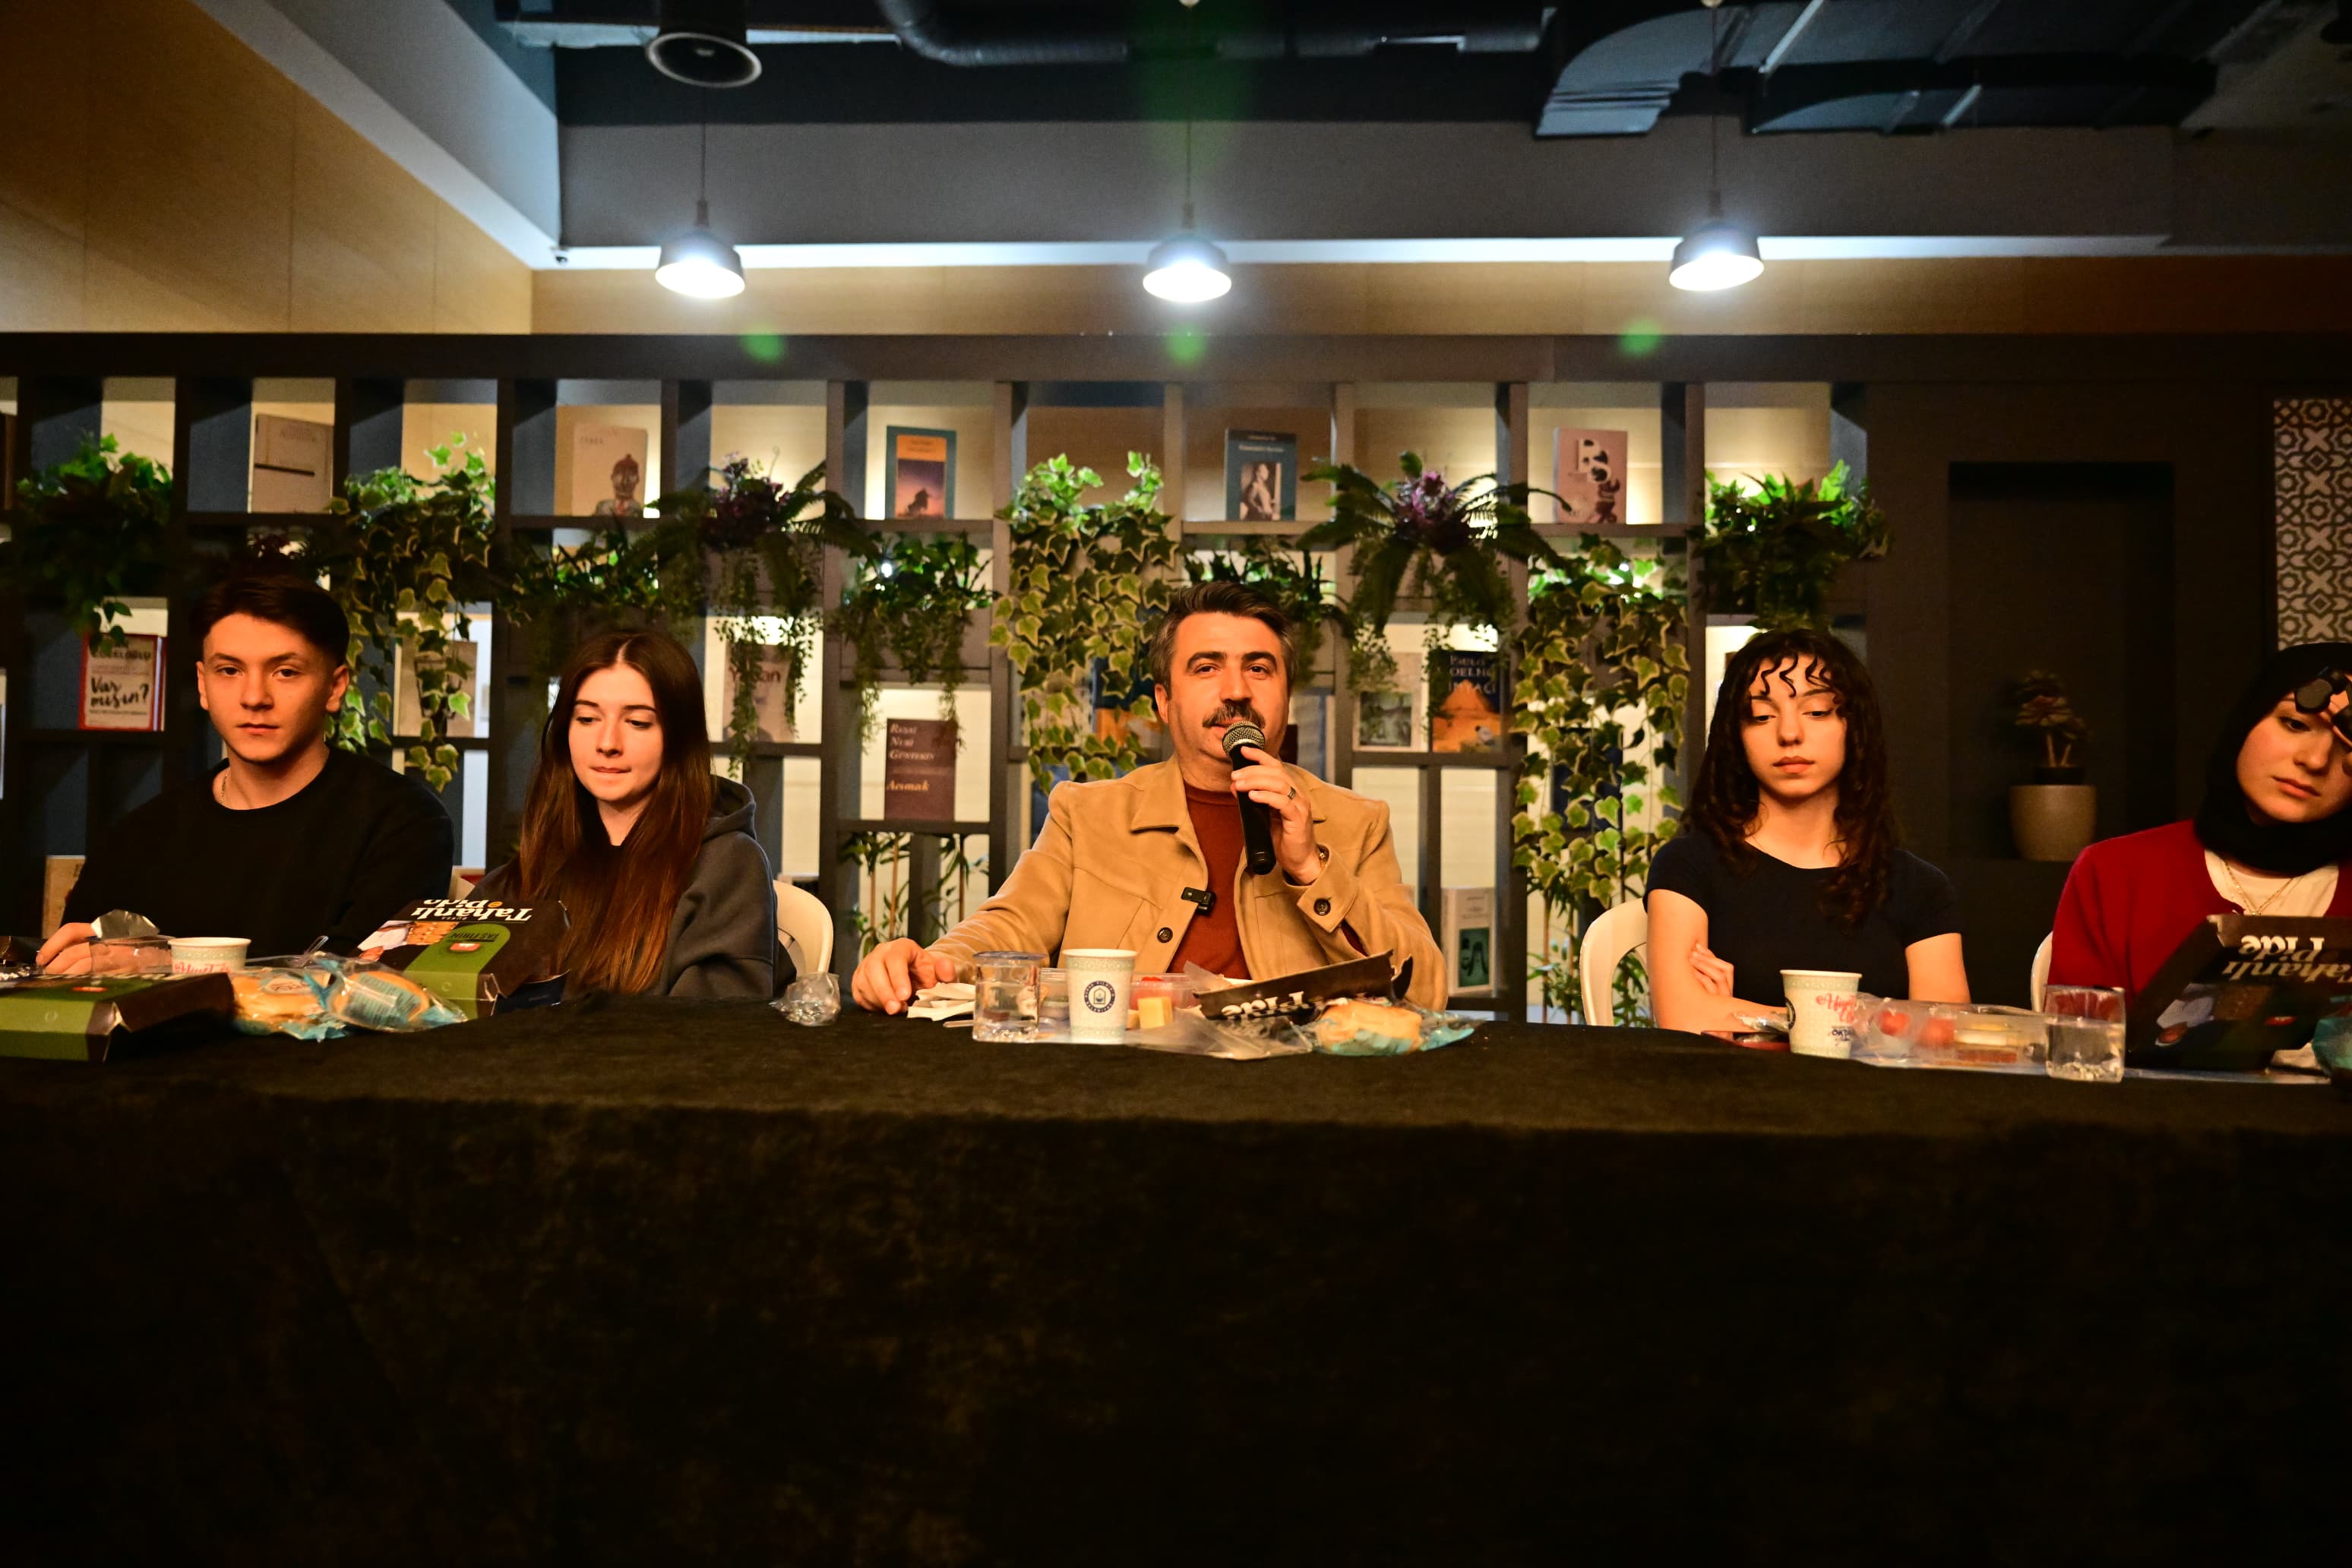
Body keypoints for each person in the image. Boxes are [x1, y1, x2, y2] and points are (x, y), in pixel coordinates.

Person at [852, 581, 1445, 1013]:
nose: (1236, 690)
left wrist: (1310, 868)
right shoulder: (1087, 815)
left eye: (1260, 669)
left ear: (1286, 697)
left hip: (1290, 1096)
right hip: (1122, 1087)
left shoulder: (1356, 822)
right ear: (1164, 700)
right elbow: (1009, 928)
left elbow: (1425, 991)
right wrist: (931, 963)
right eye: (1207, 668)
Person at [40, 571, 454, 969]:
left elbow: (362, 987)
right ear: (203, 684)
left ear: (334, 687)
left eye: (286, 672)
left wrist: (165, 965)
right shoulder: (136, 839)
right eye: (229, 671)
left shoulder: (403, 823)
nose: (254, 697)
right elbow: (71, 978)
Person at [1645, 628, 1968, 1032]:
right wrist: (1873, 1024)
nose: (1789, 734)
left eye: (1816, 712)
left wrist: (1738, 1014)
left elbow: (1942, 1034)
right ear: (1736, 736)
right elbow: (1683, 1016)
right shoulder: (1688, 866)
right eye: (1761, 716)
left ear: (1854, 726)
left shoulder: (1918, 886)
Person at [471, 628, 775, 999]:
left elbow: (714, 1024)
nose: (607, 743)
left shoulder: (726, 863)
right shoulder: (541, 862)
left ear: (679, 737)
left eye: (637, 722)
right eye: (587, 719)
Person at [2050, 642, 2352, 1001]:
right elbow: (2079, 1029)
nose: (2315, 760)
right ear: (2246, 720)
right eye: (2295, 723)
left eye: (2349, 745)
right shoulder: (2116, 870)